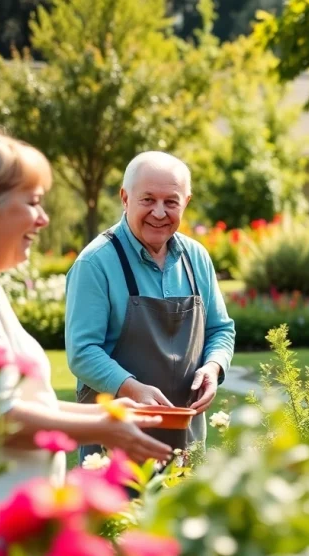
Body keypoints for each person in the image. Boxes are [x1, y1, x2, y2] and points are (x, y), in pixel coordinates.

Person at [0, 127, 171, 552]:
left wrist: (113, 412)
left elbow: (16, 402)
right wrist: (105, 428)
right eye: (33, 203)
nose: (43, 220)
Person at [66, 151, 236, 459]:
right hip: (115, 441)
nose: (159, 213)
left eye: (171, 202)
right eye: (148, 200)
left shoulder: (197, 258)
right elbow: (82, 351)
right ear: (125, 197)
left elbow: (220, 329)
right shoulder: (95, 263)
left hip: (187, 440)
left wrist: (214, 367)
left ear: (186, 202)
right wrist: (132, 388)